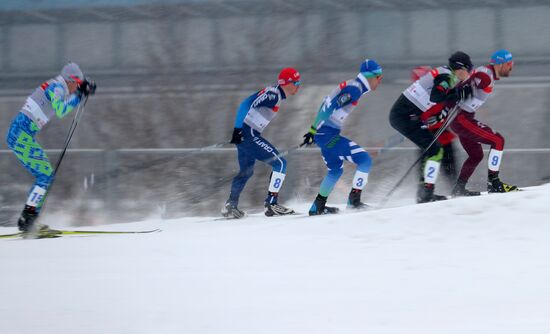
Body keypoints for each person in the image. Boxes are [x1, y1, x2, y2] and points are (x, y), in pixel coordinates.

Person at [6, 62, 96, 233]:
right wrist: (78, 95)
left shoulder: (59, 86)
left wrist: (81, 88)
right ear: (70, 80)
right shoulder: (57, 87)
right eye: (75, 84)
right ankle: (28, 220)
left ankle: (29, 219)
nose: (75, 87)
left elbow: (63, 101)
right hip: (19, 135)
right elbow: (61, 110)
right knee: (45, 175)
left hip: (20, 134)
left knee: (46, 175)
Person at [388, 51, 473, 203]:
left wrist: (458, 93)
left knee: (433, 148)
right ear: (460, 68)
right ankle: (426, 193)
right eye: (468, 70)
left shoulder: (448, 75)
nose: (469, 74)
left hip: (407, 116)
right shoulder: (446, 76)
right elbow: (436, 96)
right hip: (404, 117)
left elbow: (445, 98)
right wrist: (457, 95)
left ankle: (425, 192)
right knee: (435, 149)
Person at [302, 59, 383, 215]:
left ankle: (317, 206)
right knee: (364, 160)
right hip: (327, 135)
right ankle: (354, 201)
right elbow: (331, 106)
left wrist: (314, 132)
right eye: (379, 77)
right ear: (370, 76)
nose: (380, 81)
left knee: (335, 170)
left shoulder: (354, 86)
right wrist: (313, 130)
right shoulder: (355, 89)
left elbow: (327, 104)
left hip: (324, 134)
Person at [222, 68, 301, 218]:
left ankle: (230, 205)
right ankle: (272, 204)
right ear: (288, 83)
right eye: (296, 83)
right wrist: (237, 129)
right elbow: (245, 104)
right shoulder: (273, 95)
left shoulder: (273, 93)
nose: (298, 86)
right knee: (281, 163)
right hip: (249, 135)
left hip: (246, 136)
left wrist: (239, 131)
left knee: (246, 171)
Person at [450, 49, 518, 195]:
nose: (511, 67)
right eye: (509, 64)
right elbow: (466, 84)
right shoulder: (485, 75)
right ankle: (494, 183)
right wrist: (461, 91)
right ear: (500, 64)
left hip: (462, 118)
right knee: (498, 141)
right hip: (461, 118)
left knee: (476, 155)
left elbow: (467, 84)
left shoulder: (486, 74)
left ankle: (459, 189)